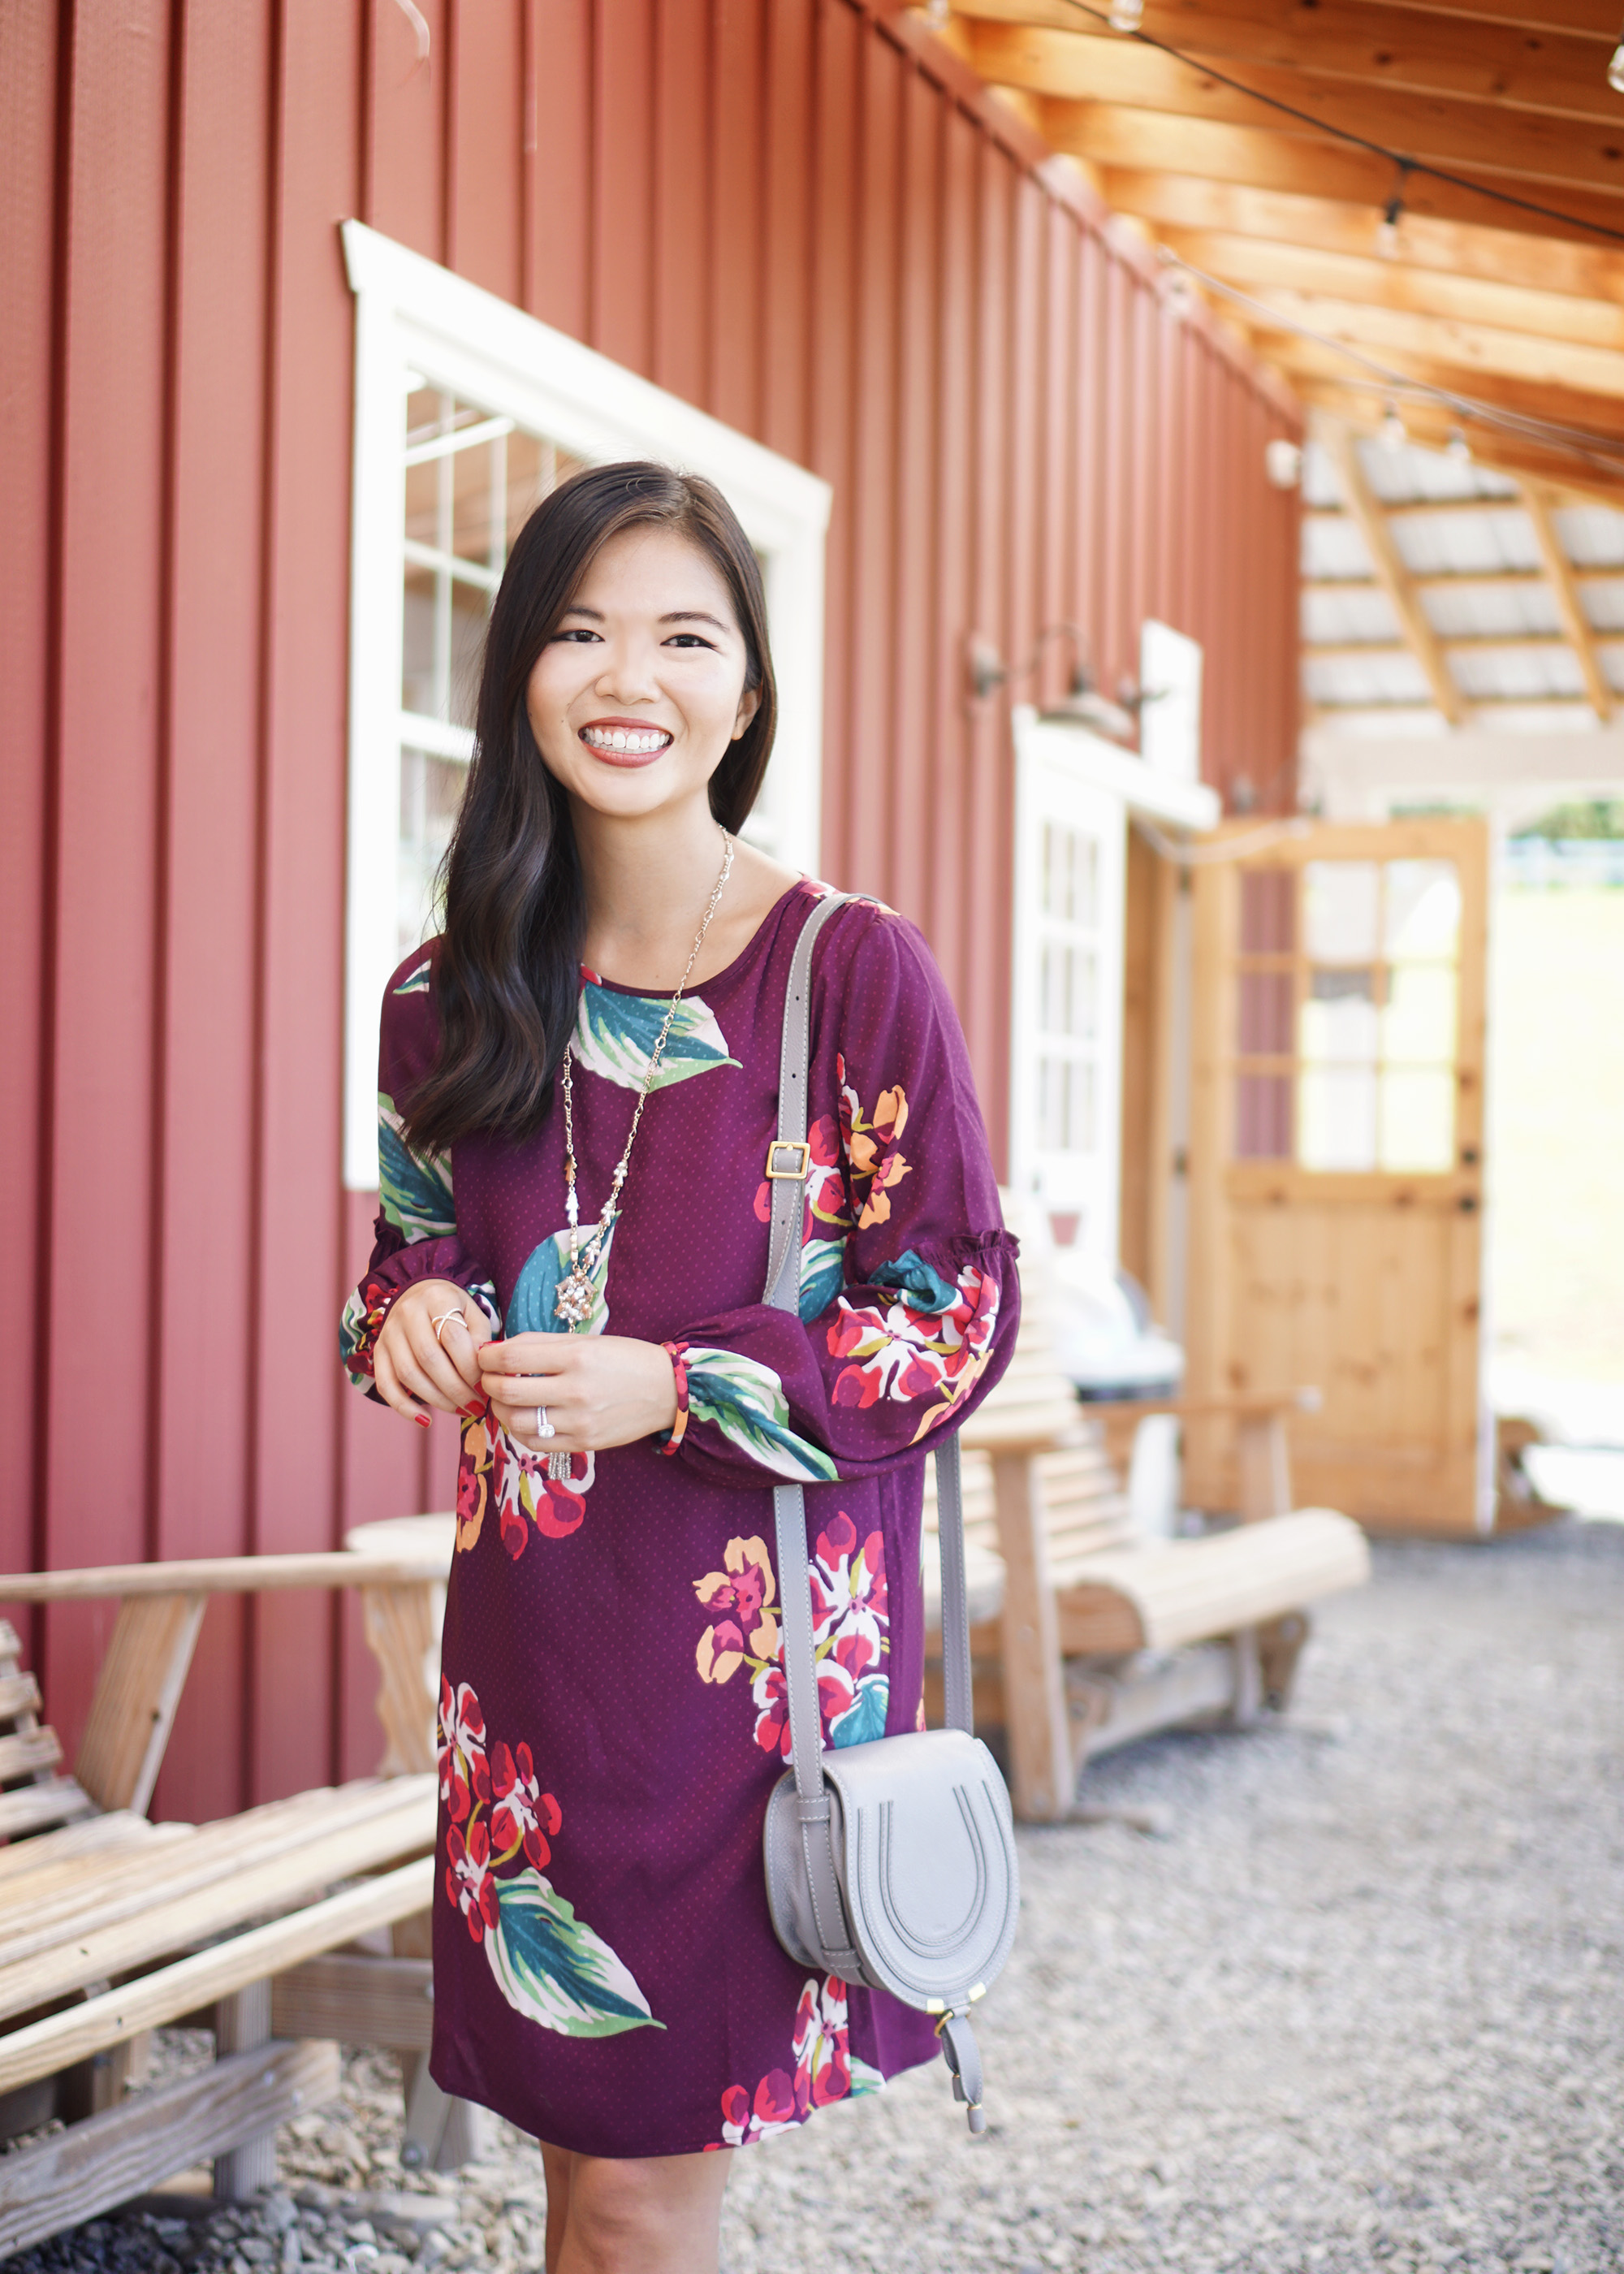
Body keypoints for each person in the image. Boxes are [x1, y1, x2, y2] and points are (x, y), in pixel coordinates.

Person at [341, 461, 1019, 2274]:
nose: (626, 677)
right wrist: (406, 1316)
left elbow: (948, 1312)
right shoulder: (446, 992)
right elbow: (412, 1250)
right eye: (578, 631)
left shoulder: (850, 971)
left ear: (743, 687)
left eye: (681, 635)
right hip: (529, 1688)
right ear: (519, 673)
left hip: (747, 1685)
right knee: (583, 2174)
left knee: (638, 2185)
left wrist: (678, 1382)